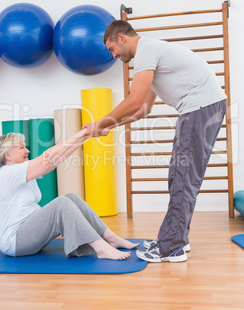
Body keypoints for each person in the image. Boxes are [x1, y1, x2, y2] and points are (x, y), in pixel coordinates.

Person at [83, 20, 227, 263]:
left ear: (121, 38)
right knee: (179, 176)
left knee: (182, 177)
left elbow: (135, 100)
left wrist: (101, 123)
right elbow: (144, 109)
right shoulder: (150, 56)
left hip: (200, 108)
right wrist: (111, 127)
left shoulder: (147, 50)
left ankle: (172, 247)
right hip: (201, 108)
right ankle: (176, 237)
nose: (114, 55)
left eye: (111, 49)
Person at [0, 130, 139, 260]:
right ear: (7, 155)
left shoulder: (21, 172)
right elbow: (46, 159)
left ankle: (110, 238)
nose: (27, 150)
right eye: (22, 147)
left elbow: (55, 159)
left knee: (71, 198)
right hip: (14, 242)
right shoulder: (7, 174)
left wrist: (86, 136)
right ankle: (101, 248)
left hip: (30, 234)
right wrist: (82, 133)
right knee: (61, 203)